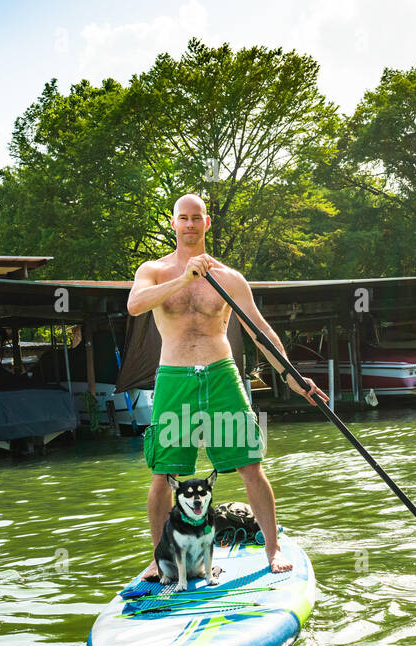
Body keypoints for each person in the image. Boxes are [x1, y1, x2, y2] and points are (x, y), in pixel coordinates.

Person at [127, 193, 329, 578]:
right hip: (175, 378)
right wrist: (184, 277)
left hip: (221, 375)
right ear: (173, 224)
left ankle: (272, 548)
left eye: (196, 218)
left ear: (206, 223)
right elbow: (135, 305)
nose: (189, 224)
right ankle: (157, 558)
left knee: (251, 467)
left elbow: (259, 332)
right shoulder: (152, 270)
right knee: (161, 476)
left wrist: (293, 377)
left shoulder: (229, 278)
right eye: (182, 218)